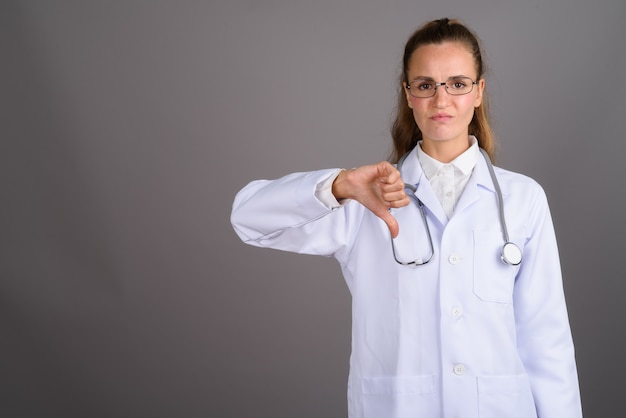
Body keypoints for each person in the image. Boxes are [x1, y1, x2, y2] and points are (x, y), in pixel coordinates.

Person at [230, 18, 582, 418]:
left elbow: (546, 341)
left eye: (458, 83)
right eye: (425, 85)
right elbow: (248, 218)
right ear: (409, 94)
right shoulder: (368, 196)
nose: (441, 99)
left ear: (479, 92)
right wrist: (340, 186)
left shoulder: (523, 198)